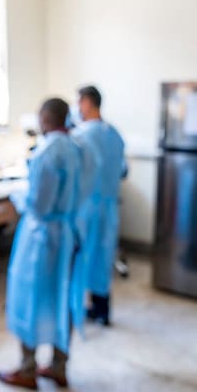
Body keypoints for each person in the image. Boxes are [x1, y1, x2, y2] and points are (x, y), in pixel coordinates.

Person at [0, 98, 86, 390]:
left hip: (43, 238)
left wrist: (18, 197)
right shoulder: (76, 147)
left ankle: (27, 368)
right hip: (68, 232)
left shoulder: (47, 152)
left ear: (45, 119)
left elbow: (39, 203)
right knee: (63, 298)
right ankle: (59, 365)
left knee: (29, 297)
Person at [72, 85, 126, 326]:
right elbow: (124, 170)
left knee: (83, 259)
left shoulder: (81, 136)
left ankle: (78, 309)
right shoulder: (114, 133)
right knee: (102, 258)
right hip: (110, 207)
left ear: (86, 102)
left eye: (78, 102)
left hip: (87, 208)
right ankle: (101, 310)